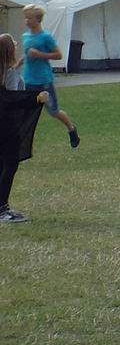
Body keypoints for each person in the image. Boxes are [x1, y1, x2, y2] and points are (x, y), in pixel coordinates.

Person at [1, 33, 49, 224]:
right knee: (10, 165)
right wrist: (36, 98)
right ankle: (2, 208)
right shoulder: (9, 74)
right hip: (8, 127)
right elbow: (12, 98)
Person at [21, 5, 79, 148]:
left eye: (30, 18)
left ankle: (71, 129)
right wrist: (17, 63)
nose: (27, 21)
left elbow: (58, 55)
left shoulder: (46, 37)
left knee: (53, 111)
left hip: (43, 81)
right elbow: (26, 54)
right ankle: (22, 140)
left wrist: (40, 55)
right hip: (28, 80)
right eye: (25, 18)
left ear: (38, 19)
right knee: (26, 111)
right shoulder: (25, 36)